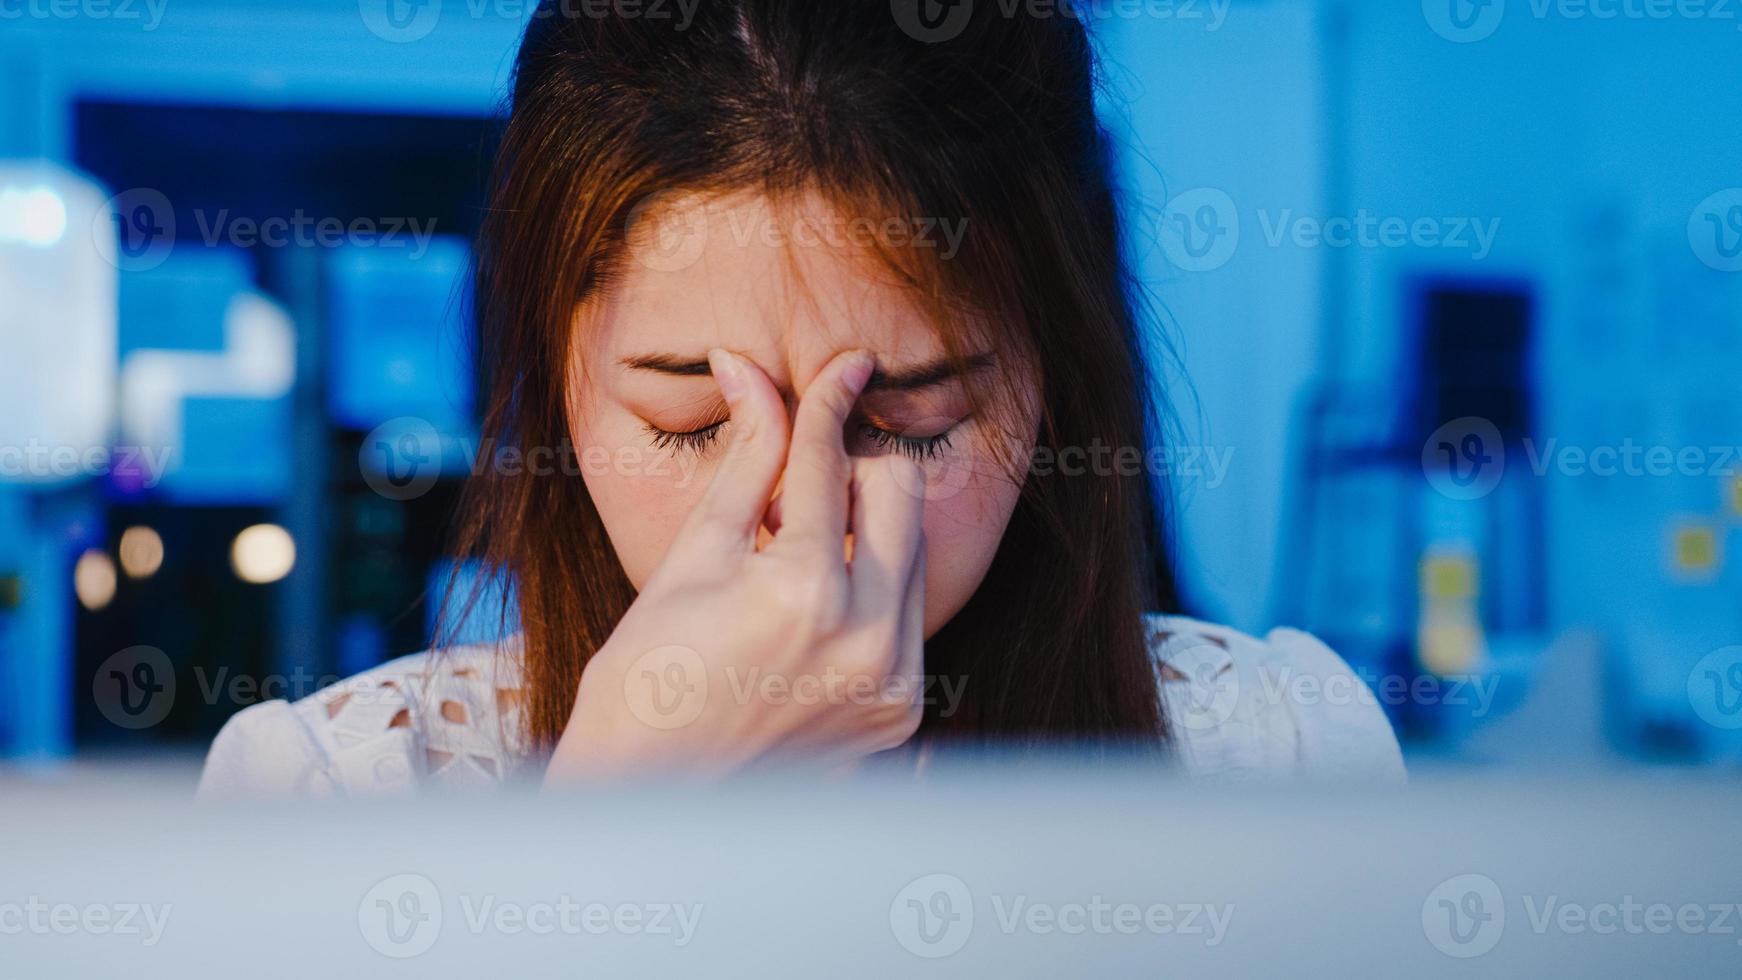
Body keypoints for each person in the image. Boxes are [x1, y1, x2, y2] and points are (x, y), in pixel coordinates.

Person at [199, 0, 1403, 799]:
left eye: (905, 416)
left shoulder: (1276, 749)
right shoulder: (331, 788)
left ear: (1055, 381)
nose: (795, 515)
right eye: (692, 420)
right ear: (550, 384)